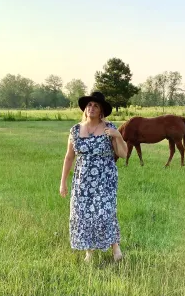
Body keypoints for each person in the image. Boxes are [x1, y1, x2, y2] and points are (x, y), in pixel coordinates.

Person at [59, 91, 127, 262]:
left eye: (96, 105)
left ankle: (115, 247)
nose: (92, 108)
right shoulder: (75, 130)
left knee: (105, 213)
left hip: (105, 180)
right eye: (89, 105)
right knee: (82, 214)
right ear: (85, 108)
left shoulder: (109, 129)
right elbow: (69, 157)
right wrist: (63, 182)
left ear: (101, 109)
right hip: (82, 181)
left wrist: (118, 135)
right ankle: (89, 251)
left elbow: (124, 154)